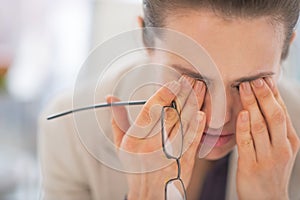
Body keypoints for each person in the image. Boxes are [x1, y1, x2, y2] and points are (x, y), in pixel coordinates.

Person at [39, 0, 300, 199]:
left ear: (286, 48)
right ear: (147, 40)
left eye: (248, 84)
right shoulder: (69, 133)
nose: (220, 119)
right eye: (193, 80)